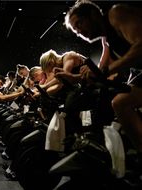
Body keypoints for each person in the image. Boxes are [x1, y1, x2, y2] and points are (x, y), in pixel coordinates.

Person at [65, 0, 142, 167]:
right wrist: (81, 77)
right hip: (138, 74)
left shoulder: (116, 14)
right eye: (75, 30)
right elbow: (102, 70)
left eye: (79, 23)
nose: (78, 32)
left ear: (92, 14)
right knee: (118, 108)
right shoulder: (106, 39)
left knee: (121, 103)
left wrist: (103, 72)